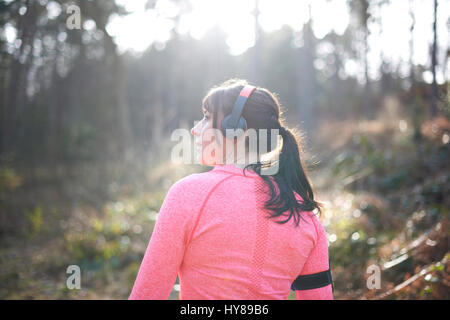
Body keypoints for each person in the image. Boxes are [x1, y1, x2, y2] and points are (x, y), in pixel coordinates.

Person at [129, 78, 333, 300]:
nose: (196, 129)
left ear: (236, 128)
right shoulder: (305, 216)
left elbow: (147, 294)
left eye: (207, 117)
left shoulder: (188, 194)